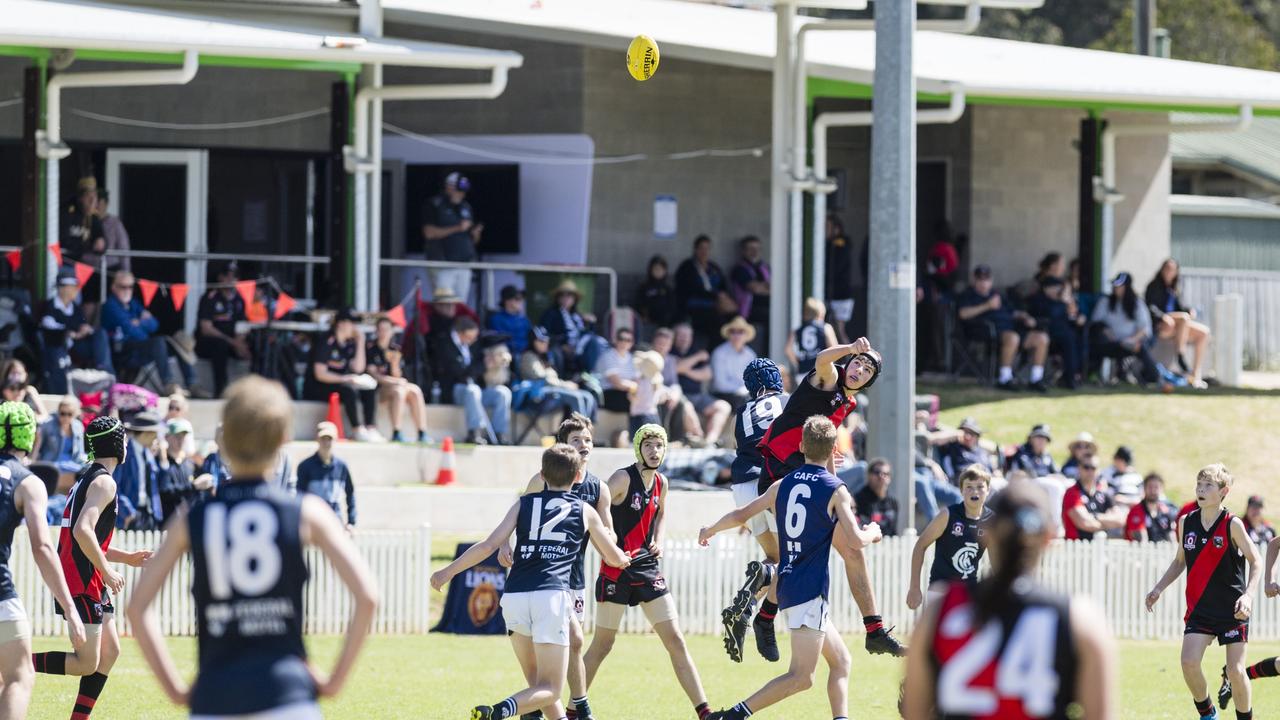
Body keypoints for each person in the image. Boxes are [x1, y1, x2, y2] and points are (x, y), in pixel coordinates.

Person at [127, 376, 378, 719]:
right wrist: (333, 682)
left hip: (217, 697)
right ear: (283, 439)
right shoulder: (306, 512)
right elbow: (368, 597)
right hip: (287, 696)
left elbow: (138, 608)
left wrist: (175, 690)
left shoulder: (192, 518)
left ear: (225, 438)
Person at [700, 416, 882, 720]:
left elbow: (742, 513)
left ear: (801, 446)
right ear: (834, 448)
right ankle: (732, 716)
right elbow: (856, 540)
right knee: (802, 677)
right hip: (808, 591)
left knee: (841, 662)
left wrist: (711, 529)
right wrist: (873, 531)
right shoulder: (836, 490)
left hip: (785, 586)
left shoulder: (783, 484)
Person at [433, 444, 628, 720]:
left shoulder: (523, 503)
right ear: (576, 477)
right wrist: (622, 558)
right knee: (550, 689)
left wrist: (447, 572)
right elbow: (611, 554)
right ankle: (499, 711)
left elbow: (490, 545)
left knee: (538, 685)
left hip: (513, 597)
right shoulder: (584, 509)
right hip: (550, 598)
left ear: (542, 475)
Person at [903, 480, 1116, 720]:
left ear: (986, 534)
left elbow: (914, 711)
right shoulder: (1081, 618)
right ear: (1048, 538)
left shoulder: (939, 611)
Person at [755, 335, 906, 656]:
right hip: (780, 472)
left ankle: (874, 629)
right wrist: (851, 348)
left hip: (806, 477)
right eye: (857, 363)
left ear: (869, 382)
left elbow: (823, 455)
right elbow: (823, 358)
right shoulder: (830, 378)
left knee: (850, 550)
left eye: (867, 370)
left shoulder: (847, 405)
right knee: (805, 554)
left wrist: (839, 491)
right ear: (848, 363)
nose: (859, 370)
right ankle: (765, 616)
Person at [582, 425, 713, 720]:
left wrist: (660, 538)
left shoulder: (662, 483)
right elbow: (591, 513)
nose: (655, 451)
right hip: (616, 570)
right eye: (649, 445)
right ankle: (571, 709)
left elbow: (662, 511)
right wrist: (607, 551)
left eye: (659, 446)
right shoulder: (620, 479)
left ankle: (705, 711)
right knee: (603, 645)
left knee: (675, 639)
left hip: (647, 567)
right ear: (638, 448)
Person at [32, 415, 152, 719]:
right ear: (117, 444)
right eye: (124, 438)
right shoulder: (104, 482)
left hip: (89, 575)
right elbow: (82, 532)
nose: (127, 444)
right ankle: (14, 662)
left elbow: (88, 539)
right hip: (81, 578)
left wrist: (126, 558)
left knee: (109, 652)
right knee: (86, 662)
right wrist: (109, 571)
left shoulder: (91, 476)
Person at [500, 414, 613, 720]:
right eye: (577, 440)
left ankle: (552, 705)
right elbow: (518, 515)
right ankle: (574, 706)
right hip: (543, 577)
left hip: (573, 577)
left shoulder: (598, 488)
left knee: (572, 642)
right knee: (562, 639)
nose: (584, 445)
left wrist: (612, 544)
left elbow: (608, 529)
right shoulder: (541, 481)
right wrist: (503, 544)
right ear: (564, 446)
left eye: (588, 439)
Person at [1146, 464, 1260, 720]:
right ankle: (1208, 714)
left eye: (1208, 485)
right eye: (1199, 484)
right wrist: (1158, 588)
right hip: (1200, 609)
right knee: (1188, 662)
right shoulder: (1186, 523)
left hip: (1233, 610)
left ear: (1223, 491)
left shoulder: (1233, 524)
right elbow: (1179, 561)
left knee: (1235, 671)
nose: (1201, 489)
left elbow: (1256, 560)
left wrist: (1249, 595)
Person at [0, 402, 87, 718]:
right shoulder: (28, 483)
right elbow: (43, 549)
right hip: (0, 596)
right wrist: (70, 608)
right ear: (29, 436)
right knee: (19, 677)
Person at [721, 358, 788, 663]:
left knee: (773, 558)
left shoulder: (742, 410)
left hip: (741, 486)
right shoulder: (787, 401)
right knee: (791, 559)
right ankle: (762, 613)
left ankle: (746, 607)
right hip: (769, 482)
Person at [905, 466, 993, 610]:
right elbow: (920, 546)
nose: (974, 491)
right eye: (969, 486)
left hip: (969, 591)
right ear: (961, 490)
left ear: (988, 490)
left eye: (980, 486)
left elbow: (997, 561)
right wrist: (914, 587)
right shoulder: (947, 515)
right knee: (932, 633)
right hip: (940, 590)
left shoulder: (991, 520)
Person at [956, 264, 1050, 391]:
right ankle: (1005, 379)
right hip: (986, 332)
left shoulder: (997, 295)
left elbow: (1011, 312)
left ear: (991, 280)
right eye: (980, 279)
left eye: (987, 279)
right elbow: (963, 314)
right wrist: (987, 306)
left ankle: (1036, 380)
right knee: (1013, 338)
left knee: (1042, 338)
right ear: (974, 280)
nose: (984, 283)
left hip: (1011, 329)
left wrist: (1024, 316)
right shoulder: (968, 294)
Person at [305, 308, 382, 442]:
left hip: (340, 383)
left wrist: (360, 342)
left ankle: (370, 428)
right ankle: (357, 430)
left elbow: (358, 368)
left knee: (369, 388)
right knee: (348, 390)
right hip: (319, 386)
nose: (354, 328)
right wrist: (345, 379)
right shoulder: (326, 341)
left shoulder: (349, 344)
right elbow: (320, 374)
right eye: (351, 323)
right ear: (341, 323)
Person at [101, 271, 182, 394]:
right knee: (158, 342)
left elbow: (155, 325)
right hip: (121, 350)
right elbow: (131, 330)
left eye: (130, 287)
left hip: (138, 347)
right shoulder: (110, 305)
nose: (127, 290)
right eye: (123, 286)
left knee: (178, 342)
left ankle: (192, 383)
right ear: (114, 287)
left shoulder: (133, 303)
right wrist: (142, 323)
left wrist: (138, 323)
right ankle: (168, 384)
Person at [434, 316, 511, 445]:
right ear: (460, 333)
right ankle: (474, 432)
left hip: (476, 390)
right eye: (470, 337)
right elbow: (460, 374)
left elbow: (476, 368)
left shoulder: (472, 345)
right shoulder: (445, 345)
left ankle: (500, 433)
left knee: (503, 393)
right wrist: (484, 365)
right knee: (472, 390)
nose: (473, 340)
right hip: (455, 390)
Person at [39, 269, 115, 394]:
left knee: (100, 333)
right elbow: (50, 327)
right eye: (72, 287)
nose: (76, 290)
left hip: (77, 347)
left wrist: (85, 330)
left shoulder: (75, 308)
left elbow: (81, 325)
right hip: (58, 348)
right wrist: (72, 334)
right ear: (62, 288)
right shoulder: (50, 307)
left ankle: (106, 371)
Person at [1146, 258, 1211, 388]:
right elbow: (1150, 306)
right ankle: (1180, 354)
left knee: (1204, 332)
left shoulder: (1174, 289)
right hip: (1162, 325)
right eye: (1167, 269)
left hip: (1177, 326)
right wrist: (1162, 317)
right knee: (1184, 318)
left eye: (1172, 269)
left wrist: (1189, 310)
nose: (1169, 272)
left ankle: (1195, 375)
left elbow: (1180, 308)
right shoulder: (1153, 286)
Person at [665, 324, 731, 447]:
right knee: (687, 407)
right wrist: (697, 358)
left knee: (723, 406)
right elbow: (677, 368)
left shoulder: (693, 350)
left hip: (699, 396)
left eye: (687, 336)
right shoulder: (670, 351)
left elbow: (707, 374)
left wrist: (686, 369)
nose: (684, 338)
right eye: (681, 335)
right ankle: (699, 440)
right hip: (680, 396)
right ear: (675, 337)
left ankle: (711, 441)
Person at [366, 317, 429, 443]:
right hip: (378, 389)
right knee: (399, 391)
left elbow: (398, 375)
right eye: (381, 330)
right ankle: (396, 431)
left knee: (415, 390)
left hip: (395, 385)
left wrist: (394, 364)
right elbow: (374, 375)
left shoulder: (395, 349)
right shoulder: (371, 349)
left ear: (392, 332)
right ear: (377, 331)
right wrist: (395, 382)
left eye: (386, 330)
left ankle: (422, 432)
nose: (383, 333)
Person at [1091, 271, 1160, 386]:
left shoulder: (1137, 304)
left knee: (1140, 347)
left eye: (1119, 285)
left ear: (1127, 287)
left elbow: (1144, 329)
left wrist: (1131, 340)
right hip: (1109, 343)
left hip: (1130, 343)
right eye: (1115, 285)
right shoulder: (1105, 301)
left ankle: (1152, 377)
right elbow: (1095, 324)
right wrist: (1106, 332)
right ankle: (1095, 374)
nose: (1115, 288)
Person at [422, 171, 483, 301]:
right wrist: (457, 228)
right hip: (442, 264)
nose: (461, 194)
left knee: (461, 305)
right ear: (449, 187)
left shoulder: (465, 207)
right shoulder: (435, 204)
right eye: (458, 190)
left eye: (463, 191)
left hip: (464, 264)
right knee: (444, 303)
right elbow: (429, 233)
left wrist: (475, 234)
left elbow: (472, 241)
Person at [195, 263, 250, 397]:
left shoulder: (239, 300)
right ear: (220, 277)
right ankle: (221, 391)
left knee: (258, 345)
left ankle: (253, 391)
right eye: (227, 276)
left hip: (233, 342)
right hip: (210, 343)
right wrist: (232, 342)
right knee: (220, 346)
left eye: (235, 276)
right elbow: (206, 328)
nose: (231, 280)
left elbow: (242, 325)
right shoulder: (210, 297)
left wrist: (240, 342)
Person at [519, 326, 598, 421]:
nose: (545, 344)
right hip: (537, 397)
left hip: (552, 392)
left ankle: (584, 430)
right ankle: (579, 432)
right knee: (575, 397)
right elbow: (544, 379)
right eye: (541, 341)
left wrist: (550, 375)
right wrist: (565, 384)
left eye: (546, 341)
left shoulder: (545, 357)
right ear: (533, 342)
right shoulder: (528, 356)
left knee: (587, 396)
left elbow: (551, 376)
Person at [295, 421, 356, 530]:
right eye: (323, 438)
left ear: (335, 439)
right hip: (313, 522)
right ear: (317, 439)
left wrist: (351, 521)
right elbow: (300, 496)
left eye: (330, 439)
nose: (326, 442)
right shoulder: (305, 466)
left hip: (335, 521)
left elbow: (350, 493)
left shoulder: (342, 466)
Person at [1028, 275, 1084, 389]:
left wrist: (1076, 315)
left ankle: (1072, 376)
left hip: (1063, 338)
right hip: (1045, 335)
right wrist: (1063, 303)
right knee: (1069, 338)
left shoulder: (1061, 302)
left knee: (1077, 339)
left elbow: (1071, 317)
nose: (1058, 291)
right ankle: (1069, 377)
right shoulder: (1038, 300)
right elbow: (1049, 315)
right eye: (1056, 288)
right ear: (1046, 288)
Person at [115, 411, 166, 531]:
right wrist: (127, 513)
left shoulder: (148, 453)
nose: (156, 438)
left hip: (149, 514)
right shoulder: (124, 453)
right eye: (155, 433)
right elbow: (115, 485)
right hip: (131, 514)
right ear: (146, 434)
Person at [675, 235, 730, 340]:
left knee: (735, 317)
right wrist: (715, 296)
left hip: (716, 306)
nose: (704, 251)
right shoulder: (687, 267)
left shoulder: (714, 268)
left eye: (707, 248)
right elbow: (690, 289)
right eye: (701, 248)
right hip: (695, 307)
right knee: (717, 322)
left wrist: (723, 297)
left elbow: (723, 286)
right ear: (695, 249)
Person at [156, 417, 209, 522]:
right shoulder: (161, 462)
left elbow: (197, 495)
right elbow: (165, 491)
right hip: (167, 522)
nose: (180, 440)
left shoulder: (190, 464)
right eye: (177, 436)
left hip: (188, 521)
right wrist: (193, 486)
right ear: (167, 437)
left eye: (183, 437)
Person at [1062, 455, 1126, 541]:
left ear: (1098, 470)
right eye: (1086, 467)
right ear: (1079, 469)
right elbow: (1085, 523)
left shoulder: (1103, 493)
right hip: (1076, 548)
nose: (1090, 471)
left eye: (1093, 468)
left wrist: (1095, 516)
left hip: (1099, 548)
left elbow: (1121, 520)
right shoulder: (1072, 493)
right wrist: (1108, 523)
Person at [538, 280, 595, 369]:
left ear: (574, 299)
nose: (566, 298)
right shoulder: (551, 314)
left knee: (596, 343)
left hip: (580, 348)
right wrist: (562, 345)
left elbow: (587, 334)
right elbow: (543, 334)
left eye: (569, 295)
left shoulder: (577, 316)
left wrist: (591, 323)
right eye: (562, 295)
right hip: (561, 349)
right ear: (557, 298)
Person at [730, 235, 770, 346]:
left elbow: (776, 288)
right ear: (743, 251)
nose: (754, 252)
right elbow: (755, 289)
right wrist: (766, 287)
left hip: (768, 308)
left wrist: (764, 287)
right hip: (749, 312)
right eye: (750, 248)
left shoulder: (764, 267)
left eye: (757, 248)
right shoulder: (739, 269)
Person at [37, 396, 87, 483]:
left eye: (70, 414)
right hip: (52, 463)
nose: (66, 417)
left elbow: (80, 453)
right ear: (58, 412)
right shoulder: (48, 425)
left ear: (75, 414)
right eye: (62, 413)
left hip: (72, 464)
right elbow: (38, 448)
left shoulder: (78, 426)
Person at [709, 317, 757, 408]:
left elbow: (753, 380)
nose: (736, 335)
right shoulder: (719, 353)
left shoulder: (750, 354)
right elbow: (719, 384)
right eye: (733, 331)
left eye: (740, 332)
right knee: (745, 401)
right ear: (728, 334)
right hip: (722, 394)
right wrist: (741, 390)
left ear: (746, 335)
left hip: (744, 393)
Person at [824, 215, 857, 344]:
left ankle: (847, 358)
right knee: (829, 329)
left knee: (839, 329)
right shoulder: (827, 244)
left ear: (836, 229)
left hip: (841, 295)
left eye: (827, 227)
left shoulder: (842, 244)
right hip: (831, 293)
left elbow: (836, 267)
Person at [785, 298, 838, 377]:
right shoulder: (826, 327)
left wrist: (798, 363)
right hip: (820, 371)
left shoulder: (797, 330)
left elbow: (788, 350)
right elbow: (834, 349)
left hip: (803, 372)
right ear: (821, 313)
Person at [937, 416, 1000, 483]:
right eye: (965, 433)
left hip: (988, 483)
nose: (967, 437)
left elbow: (992, 468)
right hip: (967, 484)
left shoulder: (981, 451)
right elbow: (933, 439)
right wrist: (956, 433)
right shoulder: (954, 447)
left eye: (971, 433)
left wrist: (996, 472)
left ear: (977, 436)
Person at [593, 327, 638, 415]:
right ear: (615, 340)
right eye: (621, 339)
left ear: (632, 343)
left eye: (628, 340)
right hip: (606, 394)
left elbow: (636, 380)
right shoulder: (608, 356)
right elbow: (617, 383)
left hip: (625, 392)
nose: (624, 342)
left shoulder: (632, 358)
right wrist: (634, 388)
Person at [853, 458, 899, 537]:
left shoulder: (893, 502)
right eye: (877, 472)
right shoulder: (859, 499)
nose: (881, 476)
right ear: (869, 475)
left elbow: (892, 530)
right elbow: (862, 528)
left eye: (886, 473)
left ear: (890, 478)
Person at [1125, 473, 1178, 542]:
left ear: (1162, 489)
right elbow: (1141, 540)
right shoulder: (1136, 511)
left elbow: (1171, 536)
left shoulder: (1166, 511)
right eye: (1150, 487)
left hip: (1163, 549)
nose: (1153, 491)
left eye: (1156, 487)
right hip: (1142, 550)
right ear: (1144, 488)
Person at [634, 255, 676, 331]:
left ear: (665, 271)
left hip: (664, 321)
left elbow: (672, 306)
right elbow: (639, 304)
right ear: (650, 270)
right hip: (648, 319)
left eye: (660, 269)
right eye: (656, 269)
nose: (658, 271)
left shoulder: (668, 289)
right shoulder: (644, 287)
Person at [488, 285, 533, 357]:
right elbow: (501, 341)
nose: (521, 301)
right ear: (507, 301)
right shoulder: (496, 319)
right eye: (518, 299)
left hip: (527, 354)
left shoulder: (524, 319)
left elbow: (532, 338)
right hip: (509, 356)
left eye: (522, 298)